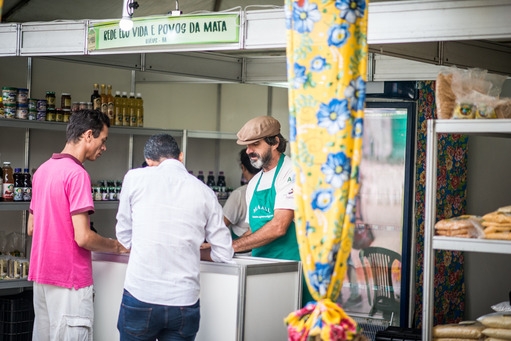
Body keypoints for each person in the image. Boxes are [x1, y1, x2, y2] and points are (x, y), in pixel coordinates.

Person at [115, 133, 234, 341]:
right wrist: (187, 248)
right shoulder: (205, 191)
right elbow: (224, 252)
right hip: (184, 302)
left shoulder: (134, 178)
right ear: (181, 156)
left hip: (141, 294)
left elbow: (124, 236)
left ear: (149, 161)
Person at [27, 109, 129, 341]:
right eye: (103, 140)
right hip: (70, 280)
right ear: (88, 135)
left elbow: (31, 228)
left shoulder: (42, 171)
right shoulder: (77, 174)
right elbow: (83, 237)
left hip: (42, 278)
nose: (104, 147)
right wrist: (117, 246)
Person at [233, 115, 313, 305]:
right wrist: (221, 246)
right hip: (261, 271)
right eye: (247, 146)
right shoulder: (254, 183)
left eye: (255, 144)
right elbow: (256, 227)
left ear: (275, 142)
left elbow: (279, 226)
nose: (249, 151)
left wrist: (232, 247)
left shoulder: (293, 172)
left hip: (294, 269)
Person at [222, 148, 259, 242]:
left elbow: (220, 225)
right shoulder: (271, 190)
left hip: (242, 250)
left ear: (243, 167)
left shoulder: (239, 194)